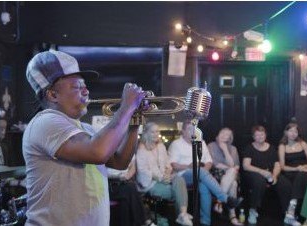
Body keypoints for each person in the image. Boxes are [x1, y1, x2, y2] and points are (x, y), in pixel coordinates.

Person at [23, 50, 146, 226]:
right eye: (77, 87)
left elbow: (120, 162)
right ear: (52, 95)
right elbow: (98, 153)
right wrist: (126, 106)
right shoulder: (44, 122)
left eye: (85, 86)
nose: (86, 91)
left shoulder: (84, 129)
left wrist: (134, 122)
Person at [168, 120, 241, 226]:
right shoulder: (176, 144)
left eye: (194, 129)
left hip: (200, 174)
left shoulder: (201, 142)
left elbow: (209, 161)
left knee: (204, 186)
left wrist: (203, 172)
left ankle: (205, 222)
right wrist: (188, 167)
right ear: (183, 131)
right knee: (201, 173)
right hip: (182, 175)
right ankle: (224, 198)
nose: (193, 131)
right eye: (189, 129)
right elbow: (173, 164)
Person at [136, 122, 193, 226]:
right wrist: (161, 178)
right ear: (146, 133)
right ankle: (181, 216)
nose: (156, 134)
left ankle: (183, 215)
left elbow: (168, 163)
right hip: (150, 183)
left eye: (157, 131)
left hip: (165, 178)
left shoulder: (161, 146)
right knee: (178, 192)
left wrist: (167, 173)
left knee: (179, 179)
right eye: (152, 131)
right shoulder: (141, 150)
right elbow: (143, 172)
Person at [242, 125, 300, 226]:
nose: (260, 137)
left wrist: (274, 175)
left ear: (265, 135)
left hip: (271, 173)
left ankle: (288, 215)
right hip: (254, 173)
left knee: (285, 184)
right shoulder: (249, 148)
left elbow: (277, 165)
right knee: (259, 181)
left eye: (262, 134)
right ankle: (253, 211)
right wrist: (262, 172)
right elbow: (246, 166)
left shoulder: (272, 148)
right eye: (257, 135)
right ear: (253, 137)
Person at [208, 127, 243, 226]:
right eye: (222, 132)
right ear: (218, 134)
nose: (224, 135)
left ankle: (219, 202)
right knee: (234, 184)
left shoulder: (233, 148)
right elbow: (215, 164)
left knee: (232, 173)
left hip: (232, 174)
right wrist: (229, 168)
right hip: (216, 174)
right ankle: (232, 215)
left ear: (229, 138)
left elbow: (235, 165)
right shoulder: (211, 145)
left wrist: (225, 150)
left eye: (227, 134)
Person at [278, 122, 307, 223]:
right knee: (295, 177)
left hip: (304, 170)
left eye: (295, 131)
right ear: (286, 132)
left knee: (302, 175)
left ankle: (292, 206)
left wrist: (302, 167)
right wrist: (296, 168)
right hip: (290, 171)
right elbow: (282, 166)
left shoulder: (303, 143)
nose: (293, 133)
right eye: (291, 131)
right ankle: (293, 212)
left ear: (298, 133)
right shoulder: (282, 146)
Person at [107, 157, 154, 226]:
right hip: (108, 182)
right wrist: (119, 176)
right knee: (130, 188)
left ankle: (143, 221)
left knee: (125, 202)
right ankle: (145, 221)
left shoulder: (127, 146)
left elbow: (133, 166)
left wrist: (127, 176)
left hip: (123, 181)